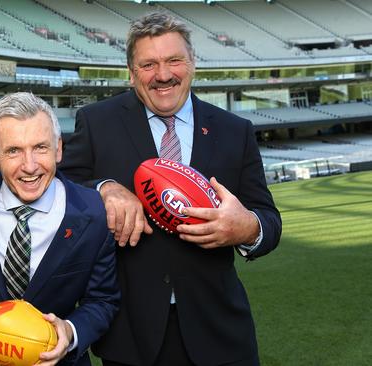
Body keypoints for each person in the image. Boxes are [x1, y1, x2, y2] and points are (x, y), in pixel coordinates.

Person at [59, 13, 282, 366]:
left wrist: (247, 228)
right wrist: (104, 188)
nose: (163, 75)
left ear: (192, 63)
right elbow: (61, 187)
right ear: (131, 73)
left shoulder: (234, 130)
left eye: (174, 60)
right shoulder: (97, 122)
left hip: (221, 334)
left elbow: (269, 221)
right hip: (132, 337)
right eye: (148, 64)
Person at [0, 92, 120, 366]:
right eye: (13, 151)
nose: (29, 166)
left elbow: (103, 300)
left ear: (58, 149)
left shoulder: (93, 211)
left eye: (40, 148)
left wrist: (70, 331)